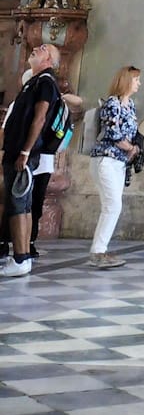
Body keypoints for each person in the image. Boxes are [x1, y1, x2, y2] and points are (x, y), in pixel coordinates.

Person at [1, 43, 64, 278]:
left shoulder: (46, 82)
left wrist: (26, 151)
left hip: (24, 153)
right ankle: (23, 256)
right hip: (20, 151)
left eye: (43, 47)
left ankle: (19, 258)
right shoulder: (35, 81)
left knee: (18, 206)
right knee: (23, 205)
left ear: (49, 58)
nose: (36, 48)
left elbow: (39, 119)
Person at [89, 65, 142, 268]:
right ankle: (98, 252)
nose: (139, 84)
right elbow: (112, 132)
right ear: (127, 80)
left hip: (119, 162)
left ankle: (100, 250)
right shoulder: (113, 103)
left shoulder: (130, 105)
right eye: (136, 80)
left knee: (111, 206)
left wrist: (133, 149)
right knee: (113, 206)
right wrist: (131, 148)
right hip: (106, 160)